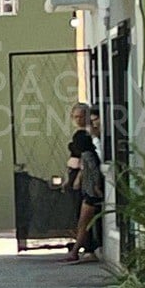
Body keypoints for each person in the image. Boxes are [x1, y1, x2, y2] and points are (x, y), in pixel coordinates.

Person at [61, 103, 104, 263]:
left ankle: (81, 249)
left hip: (87, 185)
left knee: (84, 220)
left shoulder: (88, 141)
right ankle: (80, 249)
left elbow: (88, 165)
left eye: (81, 116)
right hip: (81, 181)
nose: (78, 120)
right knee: (81, 218)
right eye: (76, 117)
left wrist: (80, 177)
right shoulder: (82, 137)